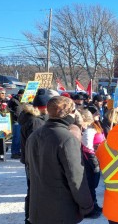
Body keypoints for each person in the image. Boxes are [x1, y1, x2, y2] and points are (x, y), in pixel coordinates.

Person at [25, 96, 93, 224]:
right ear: (68, 113)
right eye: (74, 110)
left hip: (38, 207)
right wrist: (87, 204)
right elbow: (76, 177)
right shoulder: (66, 138)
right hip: (61, 210)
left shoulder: (34, 135)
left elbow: (28, 166)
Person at [19, 91, 50, 224]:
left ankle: (31, 217)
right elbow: (36, 146)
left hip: (31, 161)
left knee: (33, 190)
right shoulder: (36, 121)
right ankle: (31, 218)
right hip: (36, 162)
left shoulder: (34, 118)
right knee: (34, 191)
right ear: (42, 107)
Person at [80, 107, 105, 219]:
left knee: (93, 184)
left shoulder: (96, 126)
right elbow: (87, 147)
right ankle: (90, 208)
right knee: (90, 184)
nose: (98, 114)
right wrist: (94, 162)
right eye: (96, 113)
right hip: (90, 160)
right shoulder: (89, 129)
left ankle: (94, 204)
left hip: (98, 158)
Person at [8, 89, 24, 159]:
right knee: (16, 137)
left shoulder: (25, 100)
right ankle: (14, 152)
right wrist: (13, 114)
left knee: (20, 137)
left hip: (23, 120)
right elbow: (7, 108)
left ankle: (18, 151)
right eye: (22, 94)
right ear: (19, 94)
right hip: (16, 121)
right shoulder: (13, 100)